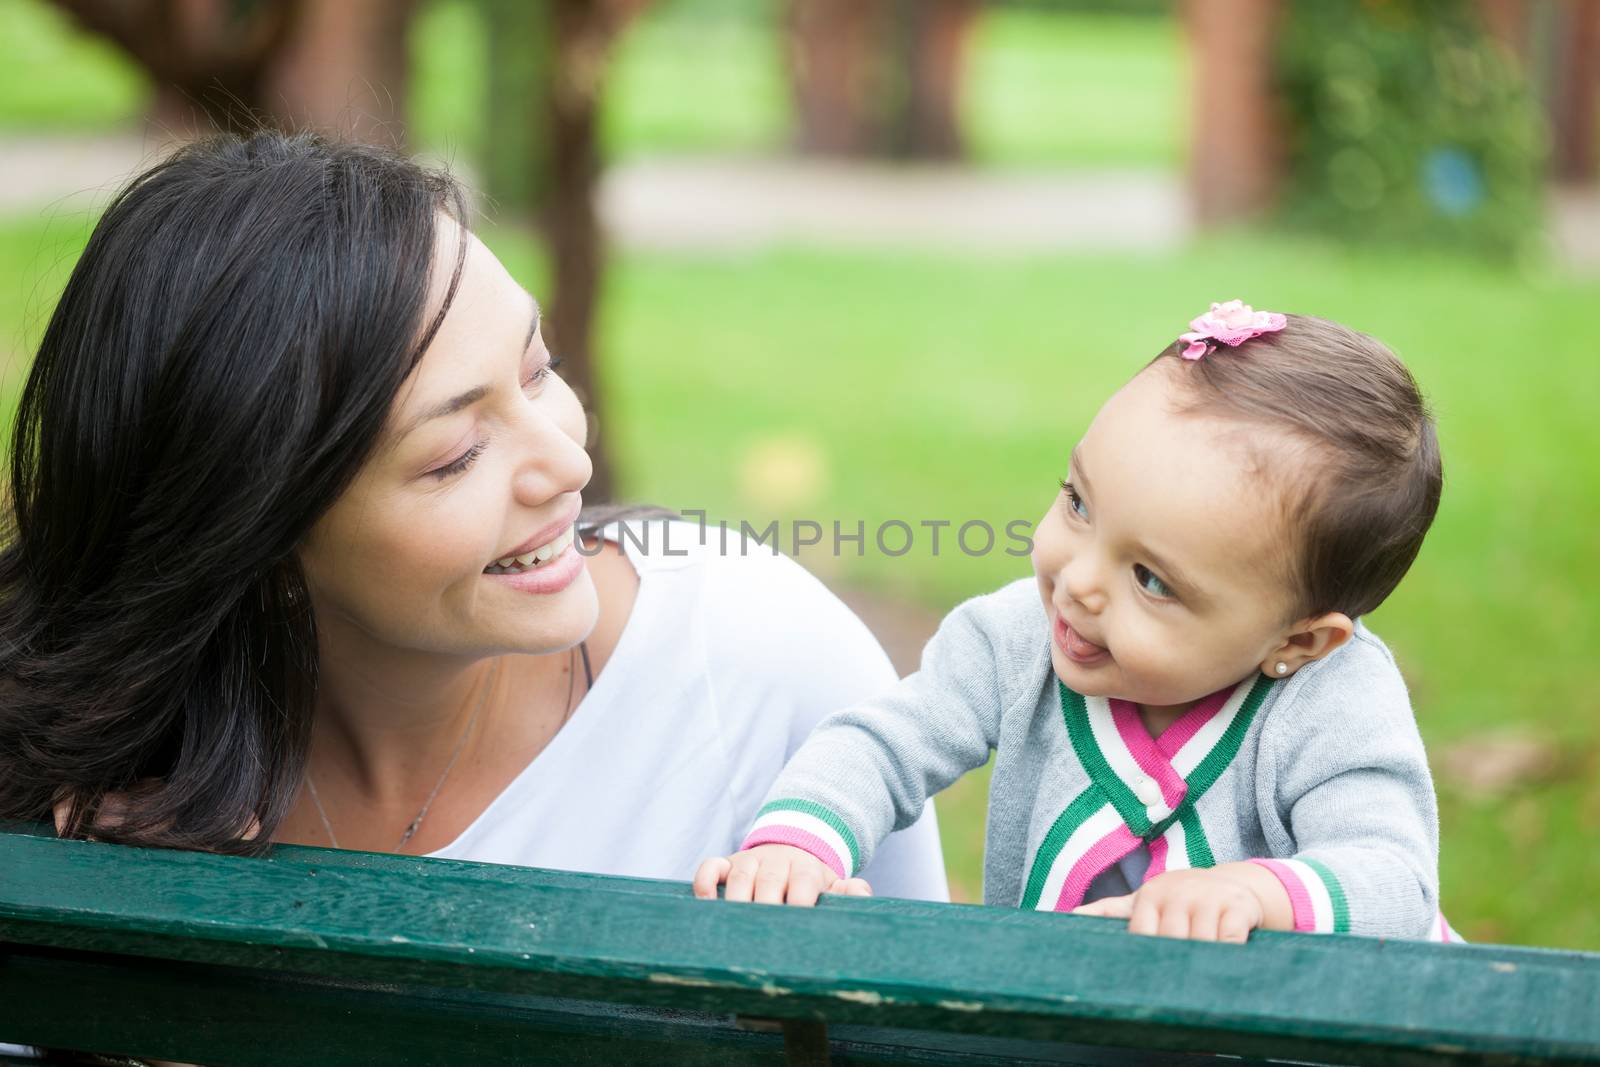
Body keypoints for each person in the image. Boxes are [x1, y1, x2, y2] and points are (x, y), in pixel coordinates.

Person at [0, 130, 946, 903]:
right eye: (455, 456)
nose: (569, 461)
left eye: (540, 370)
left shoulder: (764, 672)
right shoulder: (105, 785)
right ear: (259, 533)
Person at [696, 301, 1458, 944]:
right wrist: (799, 842)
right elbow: (882, 744)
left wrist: (1256, 892)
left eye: (1152, 579)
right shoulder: (1015, 638)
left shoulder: (1332, 702)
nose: (1080, 582)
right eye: (1079, 503)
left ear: (1296, 641)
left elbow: (1393, 877)